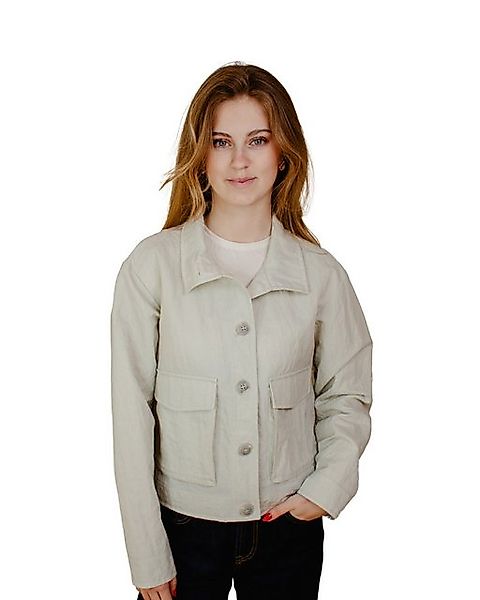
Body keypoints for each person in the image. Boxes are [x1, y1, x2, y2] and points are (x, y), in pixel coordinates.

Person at [110, 61, 373, 600]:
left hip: (287, 527)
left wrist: (323, 490)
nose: (239, 160)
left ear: (284, 153)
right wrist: (146, 554)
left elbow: (347, 393)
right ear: (200, 155)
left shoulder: (321, 275)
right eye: (221, 142)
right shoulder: (151, 268)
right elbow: (131, 414)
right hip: (181, 532)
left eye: (257, 139)